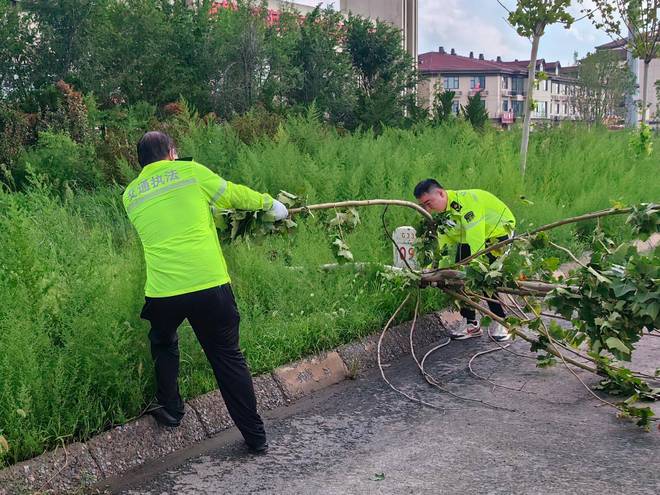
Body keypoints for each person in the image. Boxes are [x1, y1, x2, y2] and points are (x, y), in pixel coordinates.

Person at [122, 131, 288, 454]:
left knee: (163, 340)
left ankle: (171, 408)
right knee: (227, 357)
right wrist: (271, 204)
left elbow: (167, 219)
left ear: (140, 162)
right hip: (208, 285)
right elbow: (234, 195)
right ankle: (256, 437)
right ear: (172, 152)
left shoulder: (130, 195)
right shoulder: (191, 172)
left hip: (163, 291)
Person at [413, 179, 515, 342]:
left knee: (485, 276)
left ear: (440, 193)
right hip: (471, 238)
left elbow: (477, 241)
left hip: (498, 234)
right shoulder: (443, 216)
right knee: (456, 278)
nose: (427, 209)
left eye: (428, 203)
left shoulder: (467, 204)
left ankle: (501, 320)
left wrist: (475, 267)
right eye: (423, 205)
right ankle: (471, 323)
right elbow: (445, 247)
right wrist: (439, 271)